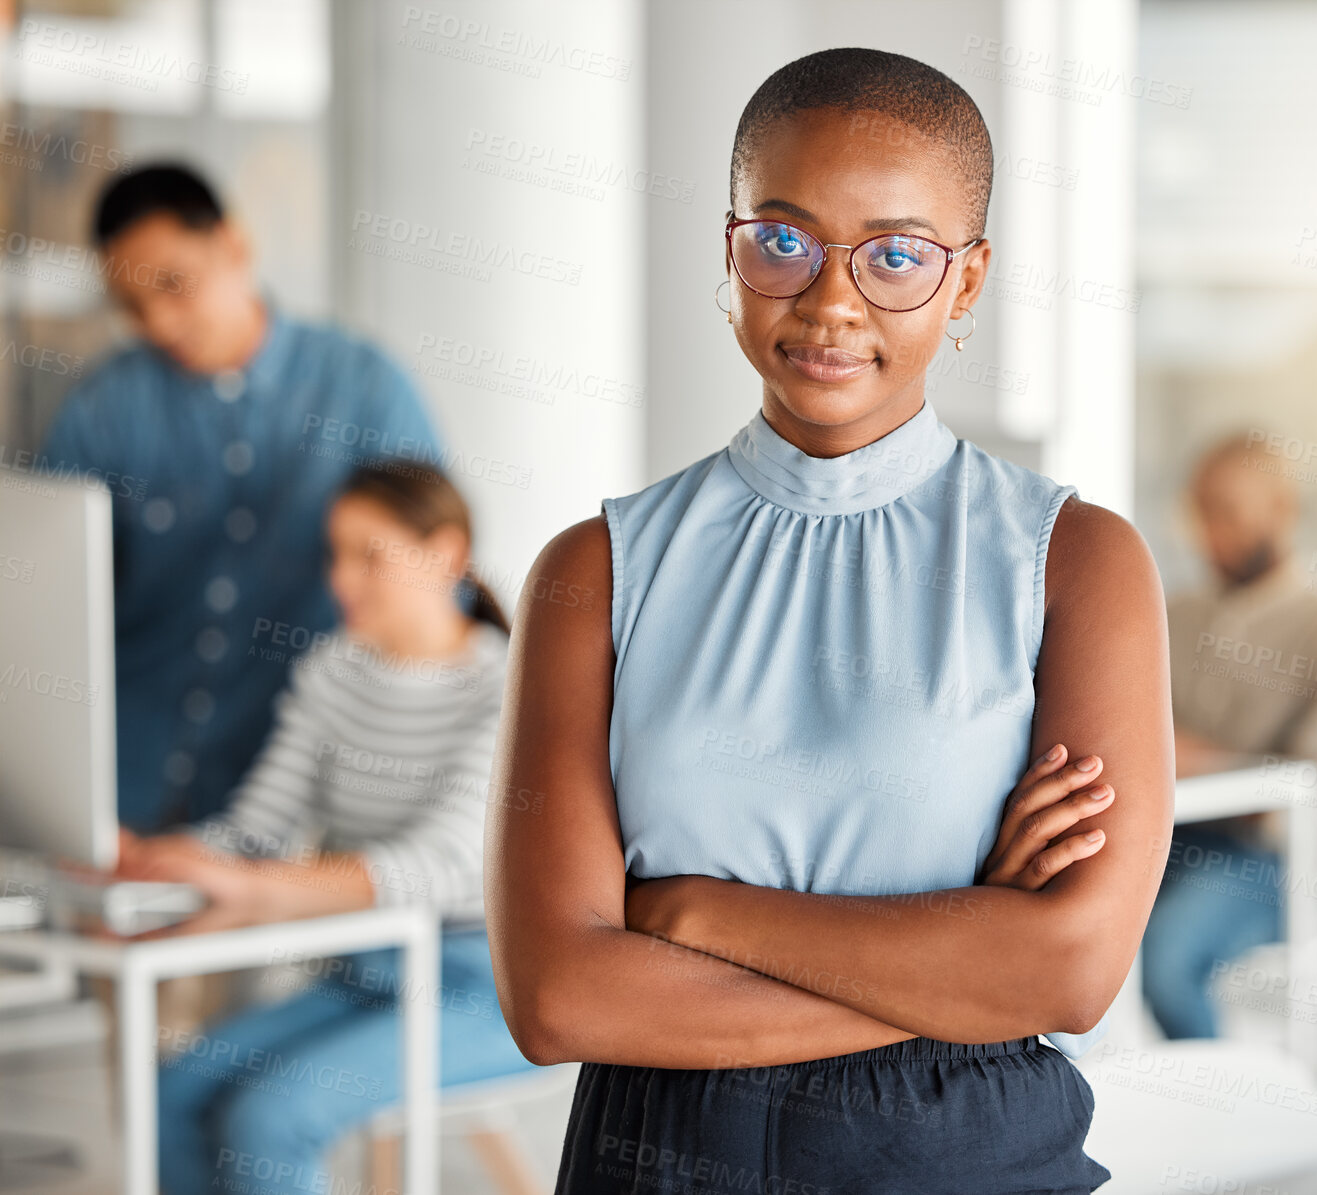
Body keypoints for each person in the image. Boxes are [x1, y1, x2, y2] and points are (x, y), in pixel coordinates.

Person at [485, 48, 1174, 1193]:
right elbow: (558, 998)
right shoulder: (595, 572)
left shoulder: (1073, 561)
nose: (830, 300)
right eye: (783, 240)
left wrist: (690, 911)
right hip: (657, 1162)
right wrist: (960, 957)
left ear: (966, 282)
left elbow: (1068, 971)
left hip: (967, 1159)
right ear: (731, 245)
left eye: (897, 255)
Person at [112, 461, 539, 1193]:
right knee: (173, 1093)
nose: (341, 581)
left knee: (271, 1116)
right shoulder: (333, 670)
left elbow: (439, 865)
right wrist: (155, 859)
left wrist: (254, 888)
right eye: (335, 555)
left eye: (368, 556)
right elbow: (255, 832)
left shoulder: (509, 688)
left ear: (446, 552)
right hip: (367, 972)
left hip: (492, 989)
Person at [34, 162, 445, 838]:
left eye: (175, 284)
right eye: (133, 307)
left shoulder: (365, 391)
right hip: (123, 784)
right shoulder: (103, 408)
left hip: (300, 797)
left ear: (235, 246)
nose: (161, 323)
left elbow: (430, 597)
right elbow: (48, 602)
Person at [1141, 434, 1317, 1040]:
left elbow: (1310, 782)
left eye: (1228, 510)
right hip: (1159, 837)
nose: (1209, 531)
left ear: (1282, 510)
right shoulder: (1169, 614)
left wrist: (1189, 756)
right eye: (1200, 511)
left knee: (1167, 959)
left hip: (1276, 864)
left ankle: (1222, 1127)